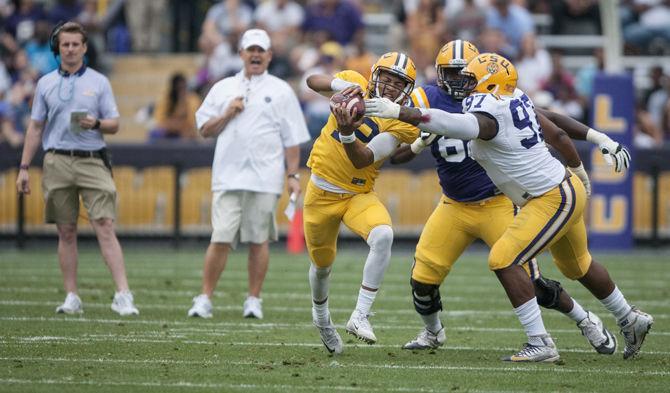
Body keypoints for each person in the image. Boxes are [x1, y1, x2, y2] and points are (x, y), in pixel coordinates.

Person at [365, 52, 653, 362]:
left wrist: (398, 111)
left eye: (472, 79)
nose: (465, 84)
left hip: (550, 198)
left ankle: (541, 342)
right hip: (555, 190)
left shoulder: (489, 117)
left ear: (490, 84)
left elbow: (451, 123)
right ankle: (629, 318)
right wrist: (600, 140)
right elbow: (553, 123)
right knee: (576, 266)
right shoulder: (513, 96)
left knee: (504, 259)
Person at [15, 21, 138, 316]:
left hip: (93, 158)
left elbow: (115, 123)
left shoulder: (99, 82)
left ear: (84, 48)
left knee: (105, 225)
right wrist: (23, 167)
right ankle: (72, 295)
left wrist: (95, 123)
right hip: (56, 159)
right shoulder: (45, 83)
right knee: (65, 230)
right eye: (65, 44)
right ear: (58, 48)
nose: (70, 49)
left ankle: (123, 294)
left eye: (75, 44)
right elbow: (35, 127)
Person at [188, 29, 310, 320]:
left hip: (265, 178)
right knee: (220, 238)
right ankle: (205, 297)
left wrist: (292, 175)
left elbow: (292, 139)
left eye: (261, 50)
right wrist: (228, 113)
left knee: (259, 240)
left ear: (269, 55)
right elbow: (204, 130)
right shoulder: (223, 88)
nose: (255, 55)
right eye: (250, 50)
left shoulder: (281, 90)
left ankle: (253, 299)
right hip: (227, 176)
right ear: (241, 53)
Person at [304, 51, 419, 354]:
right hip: (321, 193)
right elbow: (312, 80)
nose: (392, 86)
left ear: (407, 88)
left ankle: (360, 315)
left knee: (383, 234)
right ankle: (322, 319)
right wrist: (337, 88)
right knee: (322, 266)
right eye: (388, 78)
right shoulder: (355, 83)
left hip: (358, 194)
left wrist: (345, 133)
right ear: (375, 74)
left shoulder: (402, 123)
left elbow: (363, 159)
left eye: (399, 82)